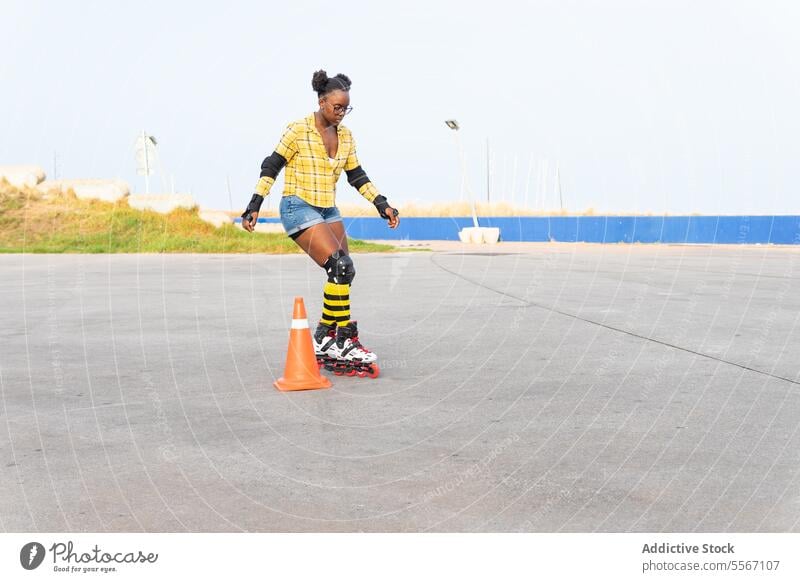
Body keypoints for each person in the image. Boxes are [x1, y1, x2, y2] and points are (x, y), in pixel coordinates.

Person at [241, 69, 399, 369]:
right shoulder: (298, 129)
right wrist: (255, 203)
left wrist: (382, 203)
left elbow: (356, 175)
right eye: (336, 107)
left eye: (346, 108)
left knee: (343, 272)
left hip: (328, 208)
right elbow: (271, 165)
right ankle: (345, 340)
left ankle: (325, 336)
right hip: (297, 206)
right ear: (321, 101)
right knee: (339, 265)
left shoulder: (347, 136)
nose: (341, 113)